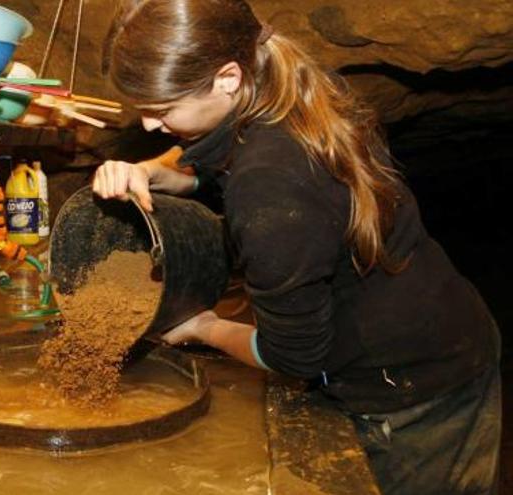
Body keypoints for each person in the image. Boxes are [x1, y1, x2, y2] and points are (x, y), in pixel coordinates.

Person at [91, 1, 502, 493]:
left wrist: (205, 326)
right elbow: (220, 146)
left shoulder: (268, 185)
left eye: (161, 109)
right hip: (445, 322)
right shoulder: (295, 84)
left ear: (226, 78)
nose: (149, 126)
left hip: (416, 389)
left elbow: (294, 357)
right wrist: (156, 170)